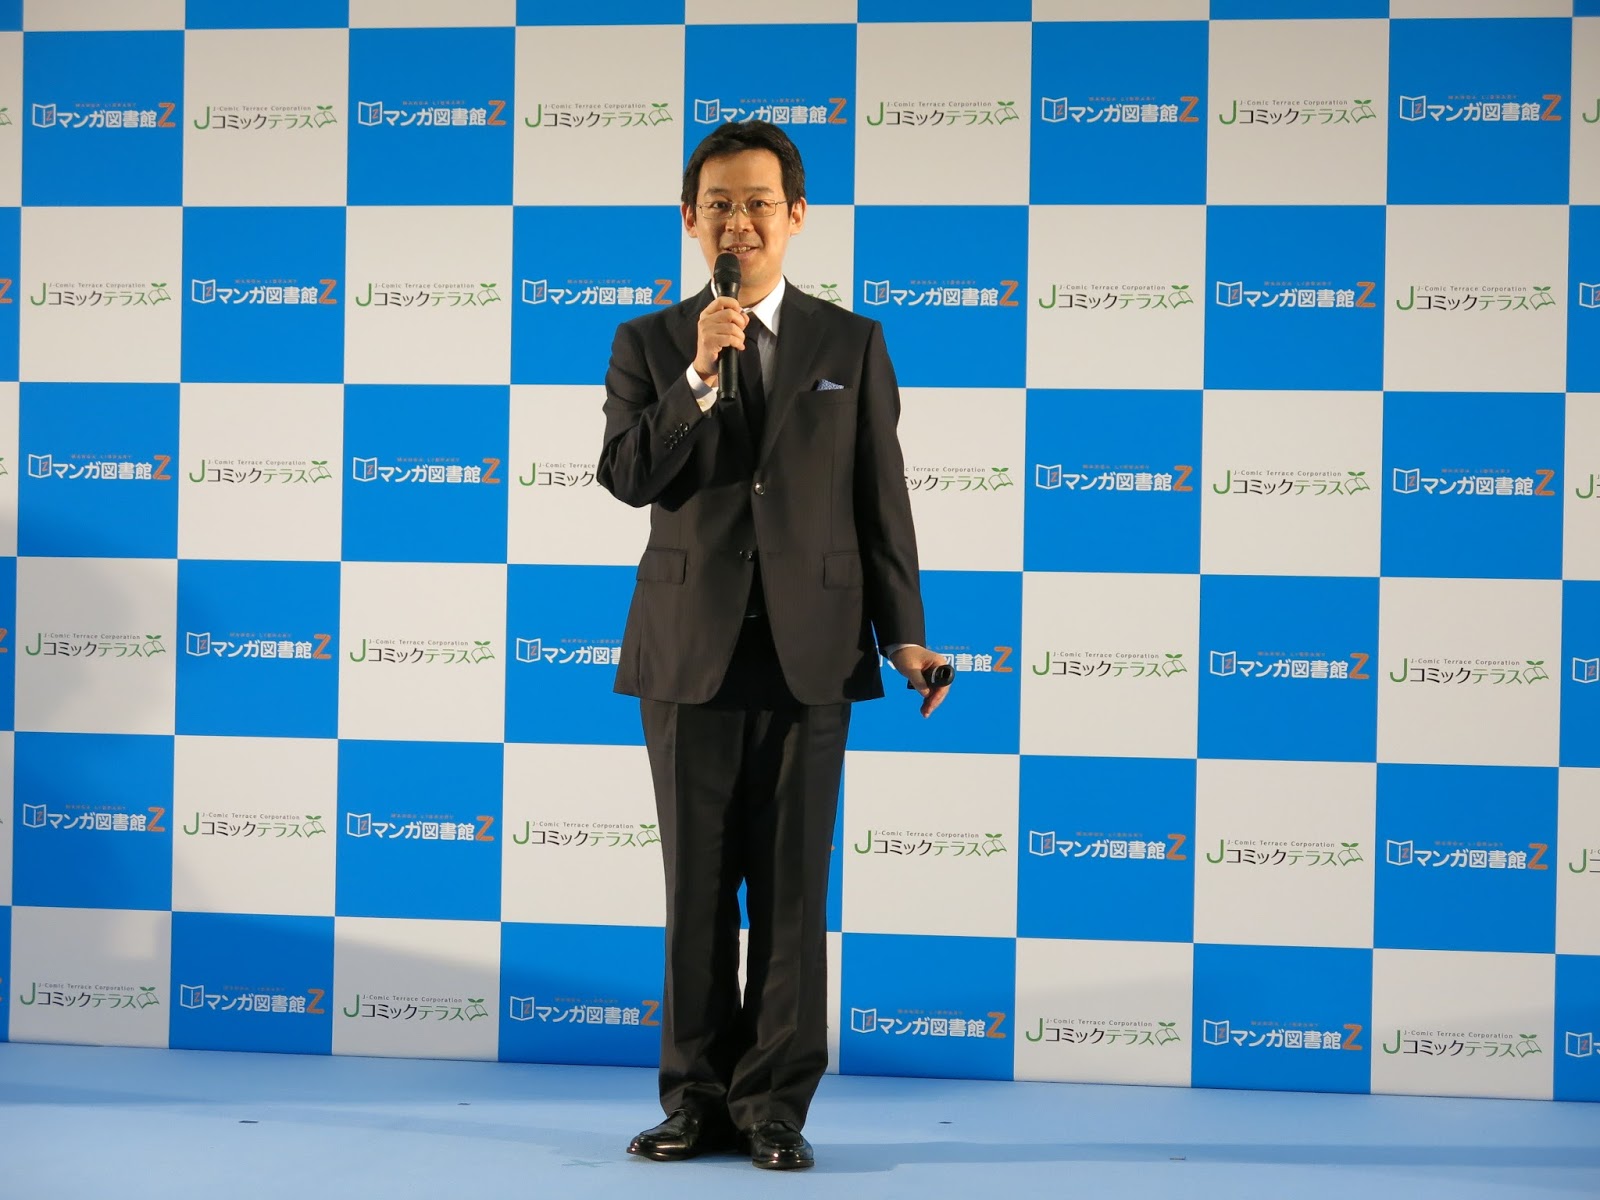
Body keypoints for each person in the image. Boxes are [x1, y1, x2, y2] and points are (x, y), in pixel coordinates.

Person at [596, 120, 950, 1171]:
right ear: (689, 218)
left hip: (813, 648)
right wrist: (699, 376)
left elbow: (878, 499)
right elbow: (628, 477)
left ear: (795, 215)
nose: (738, 222)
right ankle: (693, 1099)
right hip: (688, 650)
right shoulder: (651, 343)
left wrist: (906, 634)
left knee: (793, 892)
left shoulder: (851, 343)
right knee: (696, 891)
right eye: (719, 204)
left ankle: (774, 1107)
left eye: (758, 203)